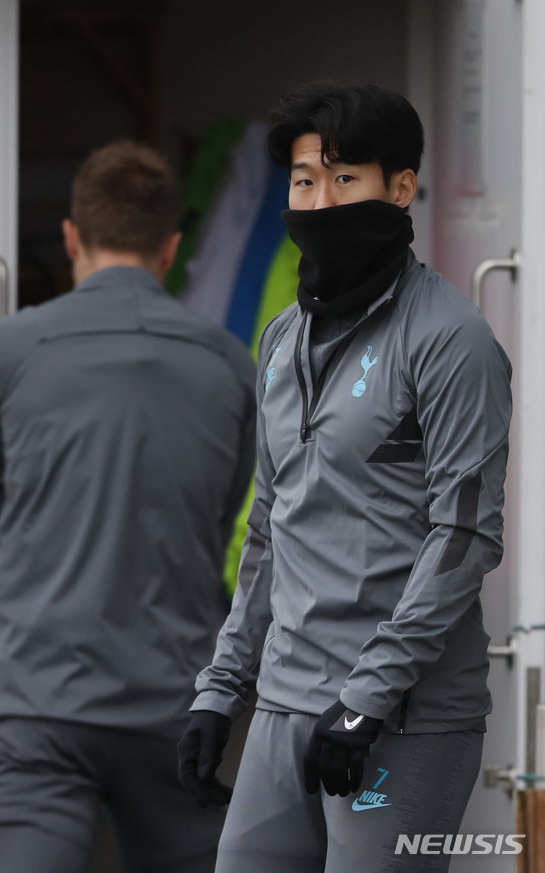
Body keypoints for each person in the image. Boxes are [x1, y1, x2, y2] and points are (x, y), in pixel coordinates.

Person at [178, 82, 512, 872]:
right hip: (284, 708)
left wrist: (367, 697)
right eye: (304, 181)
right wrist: (221, 688)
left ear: (401, 188)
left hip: (402, 717)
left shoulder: (452, 340)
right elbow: (270, 522)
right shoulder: (281, 339)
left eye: (344, 178)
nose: (320, 201)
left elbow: (463, 535)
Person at [0, 141, 256, 873]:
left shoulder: (2, 348)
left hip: (40, 704)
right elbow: (224, 519)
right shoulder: (230, 362)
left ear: (69, 235)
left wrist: (50, 570)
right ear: (171, 246)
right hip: (178, 702)